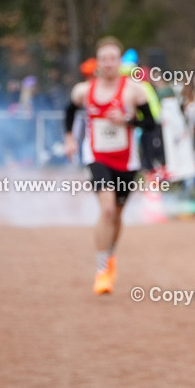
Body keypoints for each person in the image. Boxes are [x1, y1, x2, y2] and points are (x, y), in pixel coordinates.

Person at [64, 37, 155, 295]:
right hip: (97, 157)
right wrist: (69, 139)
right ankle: (101, 269)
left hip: (127, 162)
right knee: (106, 210)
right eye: (103, 59)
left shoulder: (134, 90)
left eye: (113, 58)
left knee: (116, 214)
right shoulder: (84, 91)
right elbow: (69, 112)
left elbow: (150, 123)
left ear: (119, 61)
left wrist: (127, 120)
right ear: (98, 62)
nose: (108, 63)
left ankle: (110, 258)